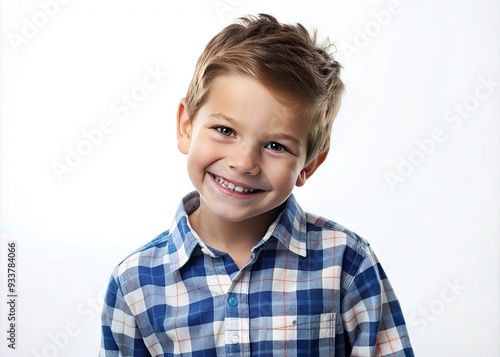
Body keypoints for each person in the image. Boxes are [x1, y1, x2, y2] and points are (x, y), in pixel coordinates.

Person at [100, 14, 415, 356]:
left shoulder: (345, 263)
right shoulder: (135, 283)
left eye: (275, 146)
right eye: (225, 130)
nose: (244, 163)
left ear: (308, 165)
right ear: (187, 126)